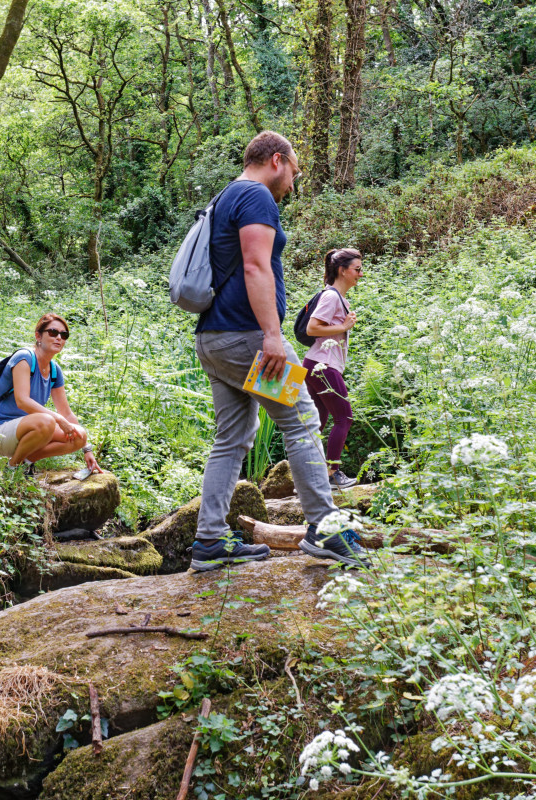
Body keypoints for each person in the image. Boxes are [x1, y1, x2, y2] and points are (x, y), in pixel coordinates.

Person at [189, 131, 369, 571]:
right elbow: (254, 265)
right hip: (249, 338)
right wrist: (272, 334)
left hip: (213, 338)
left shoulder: (224, 197)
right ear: (276, 160)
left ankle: (209, 540)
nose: (292, 184)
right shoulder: (255, 197)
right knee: (303, 418)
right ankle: (324, 527)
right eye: (294, 172)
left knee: (231, 438)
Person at [0, 313, 102, 476]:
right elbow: (22, 401)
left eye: (64, 335)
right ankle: (12, 469)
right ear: (38, 336)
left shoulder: (54, 370)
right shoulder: (24, 358)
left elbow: (66, 413)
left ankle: (25, 463)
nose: (59, 338)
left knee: (79, 435)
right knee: (46, 421)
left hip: (29, 431)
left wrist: (87, 449)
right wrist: (58, 419)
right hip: (1, 432)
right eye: (53, 332)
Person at [302, 248, 363, 490]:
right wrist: (345, 325)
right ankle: (332, 473)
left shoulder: (339, 298)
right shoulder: (331, 297)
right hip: (322, 365)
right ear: (342, 270)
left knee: (318, 421)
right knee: (344, 417)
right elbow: (312, 328)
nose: (360, 274)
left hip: (316, 364)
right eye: (357, 269)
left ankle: (309, 475)